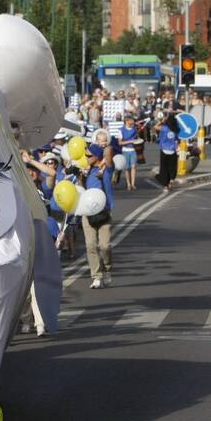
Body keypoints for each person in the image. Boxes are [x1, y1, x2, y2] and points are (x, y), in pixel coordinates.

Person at [83, 129, 115, 290]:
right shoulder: (84, 171)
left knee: (105, 246)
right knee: (90, 245)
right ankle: (96, 276)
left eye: (89, 155)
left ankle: (108, 269)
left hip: (104, 211)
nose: (86, 158)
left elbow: (108, 152)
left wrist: (102, 147)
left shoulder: (107, 168)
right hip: (87, 211)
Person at [155, 114, 179, 190]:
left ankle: (166, 185)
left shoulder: (164, 128)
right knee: (172, 168)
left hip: (164, 150)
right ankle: (170, 181)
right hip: (172, 150)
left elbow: (155, 127)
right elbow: (177, 139)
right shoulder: (176, 130)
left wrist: (161, 121)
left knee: (164, 168)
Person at [118, 113, 139, 190]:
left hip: (133, 150)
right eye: (132, 120)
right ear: (127, 120)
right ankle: (128, 184)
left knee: (133, 167)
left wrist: (137, 141)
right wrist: (130, 141)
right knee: (126, 168)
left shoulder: (134, 129)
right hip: (125, 150)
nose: (133, 121)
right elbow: (120, 142)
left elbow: (137, 138)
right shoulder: (121, 130)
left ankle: (133, 184)